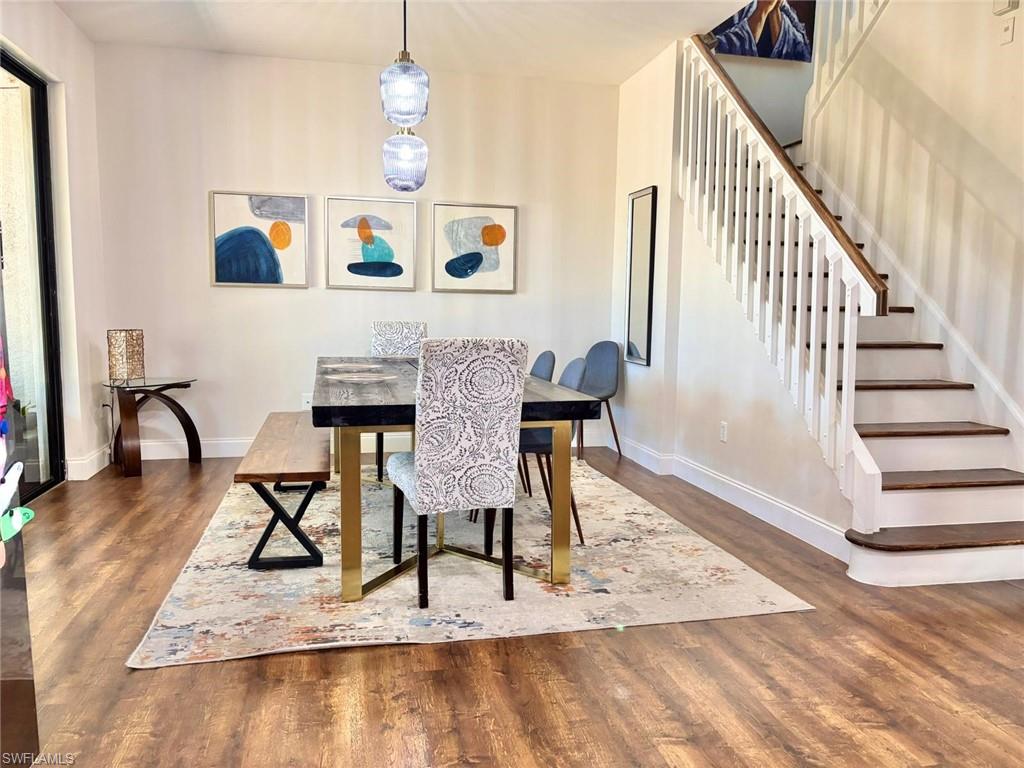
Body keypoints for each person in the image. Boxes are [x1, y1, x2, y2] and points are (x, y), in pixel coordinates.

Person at [713, 0, 812, 62]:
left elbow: (801, 54)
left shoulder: (784, 8)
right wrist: (761, 12)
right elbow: (715, 45)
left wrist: (774, 9)